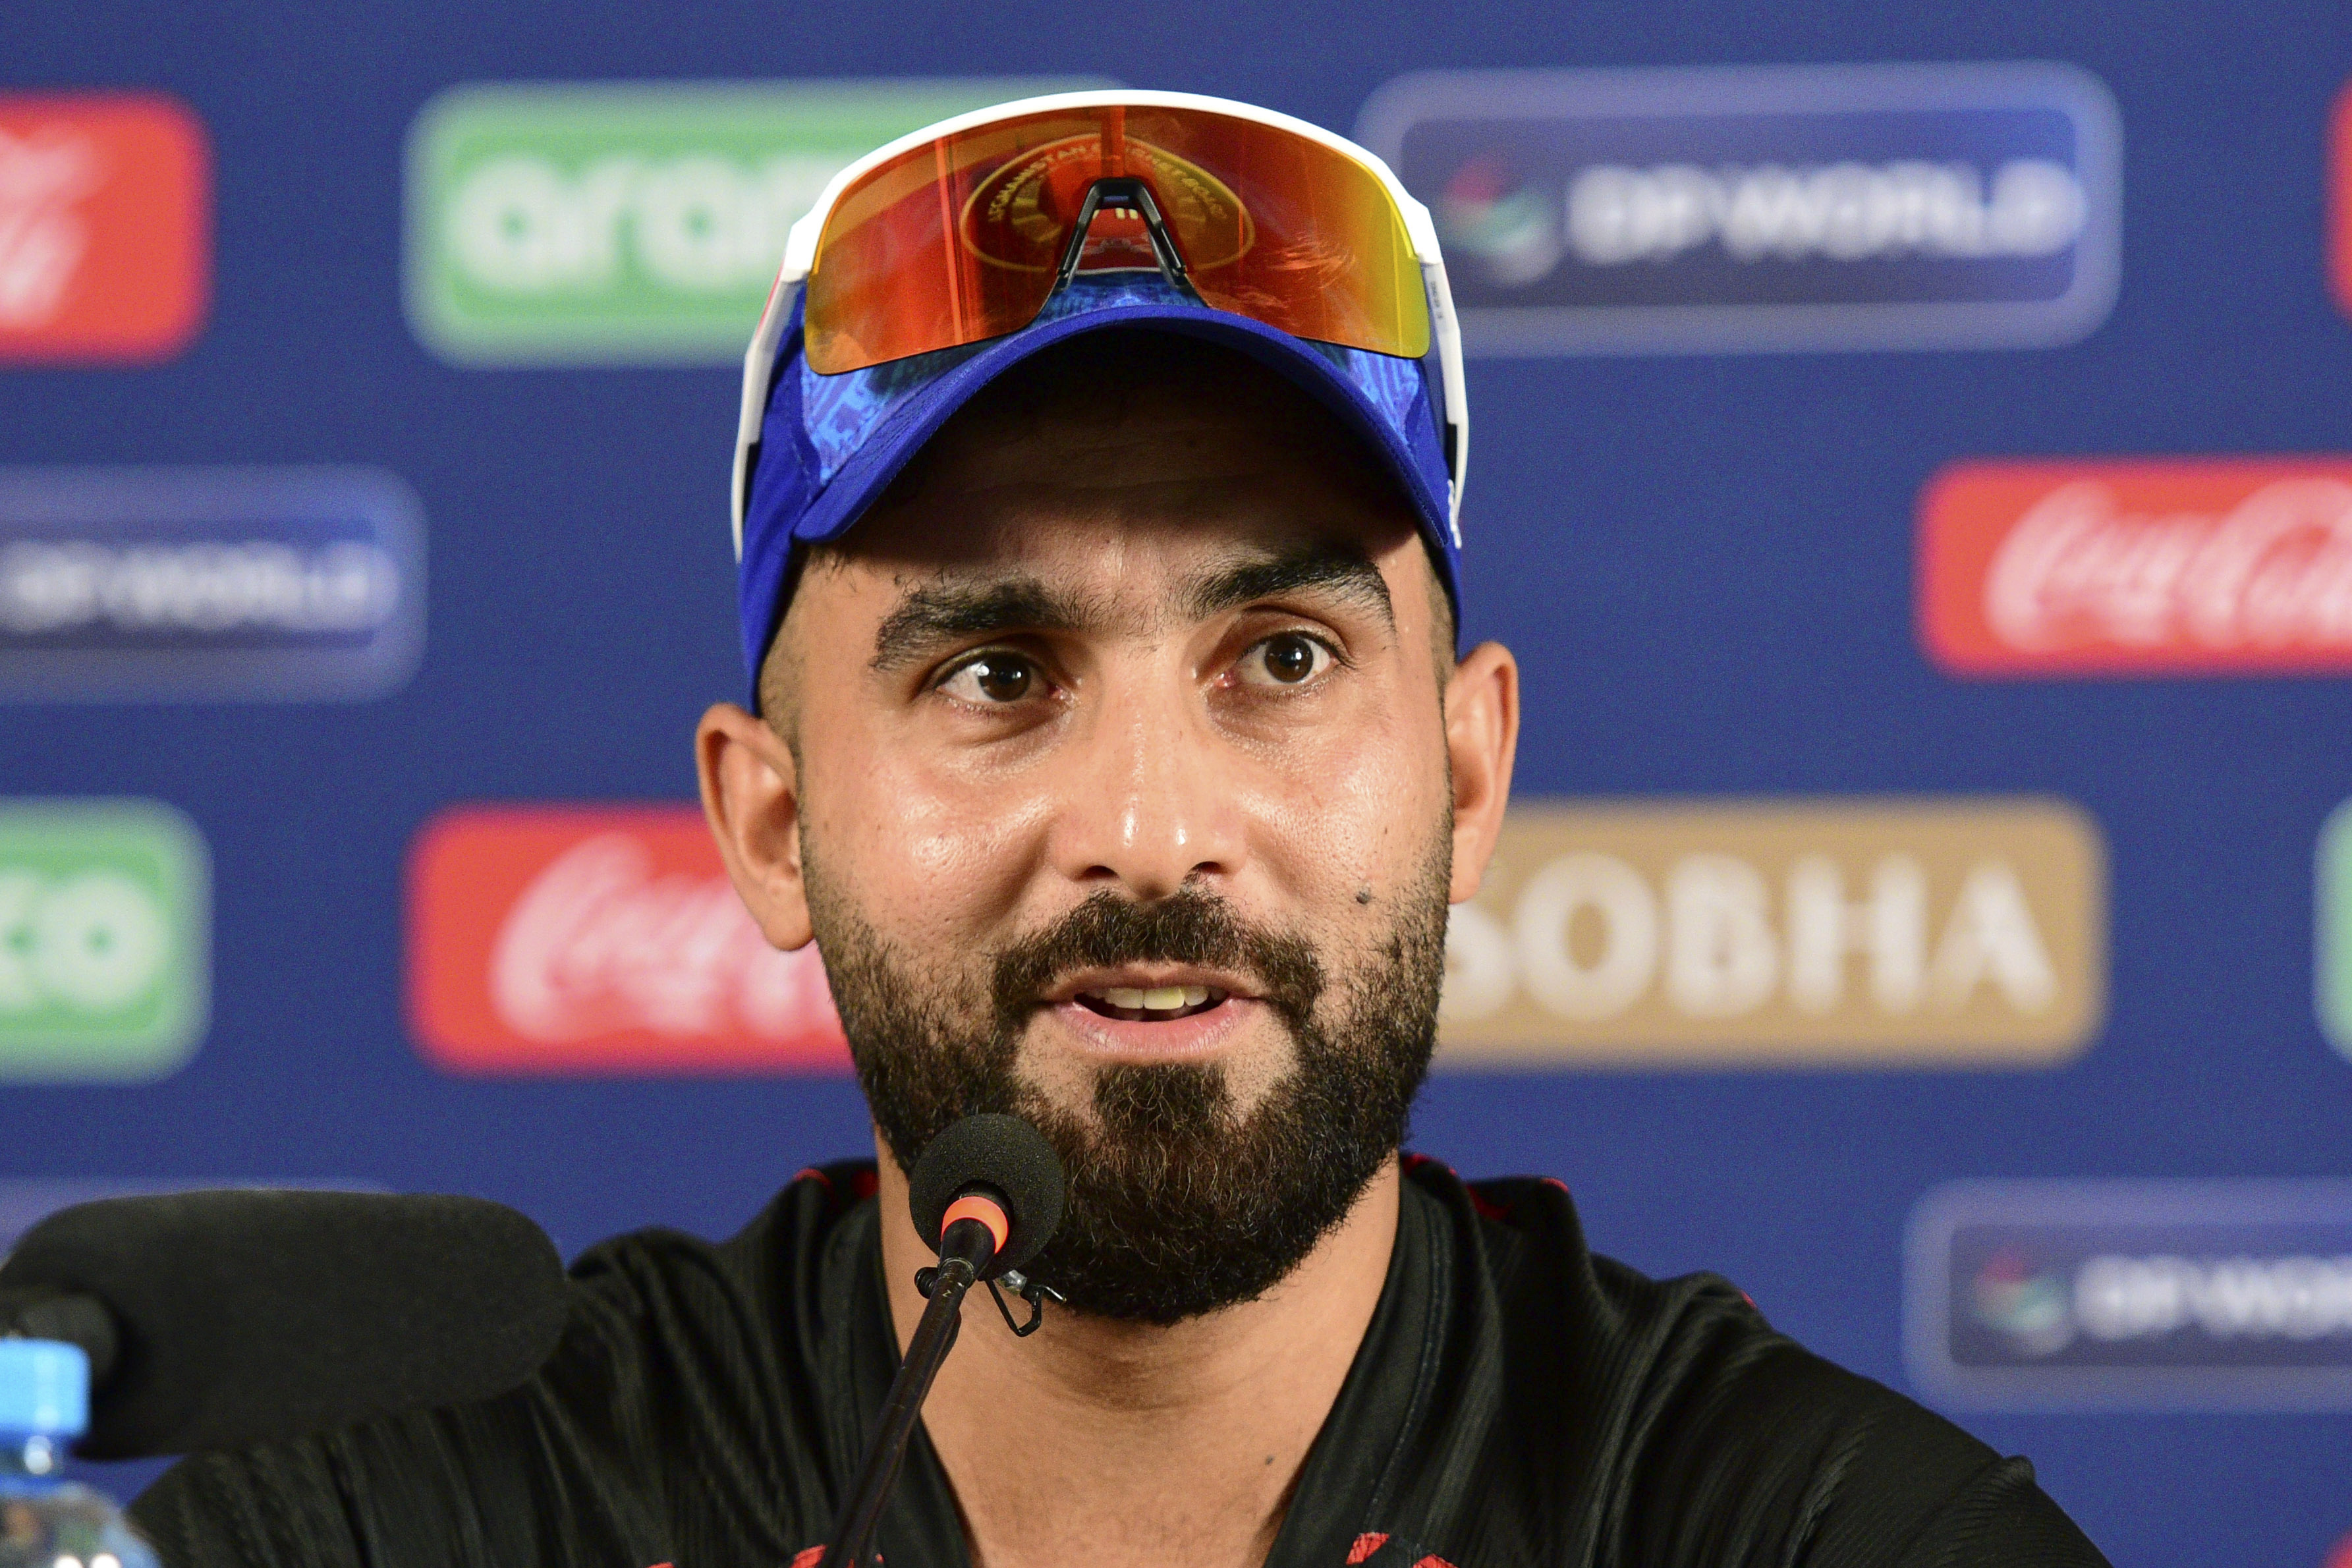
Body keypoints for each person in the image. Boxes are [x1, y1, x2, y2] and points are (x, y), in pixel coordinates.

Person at [131, 92, 2109, 1568]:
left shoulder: (1812, 1535)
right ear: (769, 818)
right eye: (994, 671)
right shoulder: (403, 1512)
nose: (1151, 830)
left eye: (1277, 655)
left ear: (1469, 776)